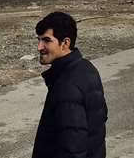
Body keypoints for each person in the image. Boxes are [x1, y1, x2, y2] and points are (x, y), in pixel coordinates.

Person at [32, 11, 107, 158]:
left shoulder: (67, 87)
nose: (39, 47)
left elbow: (72, 148)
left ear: (65, 43)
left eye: (46, 40)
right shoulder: (86, 68)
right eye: (39, 40)